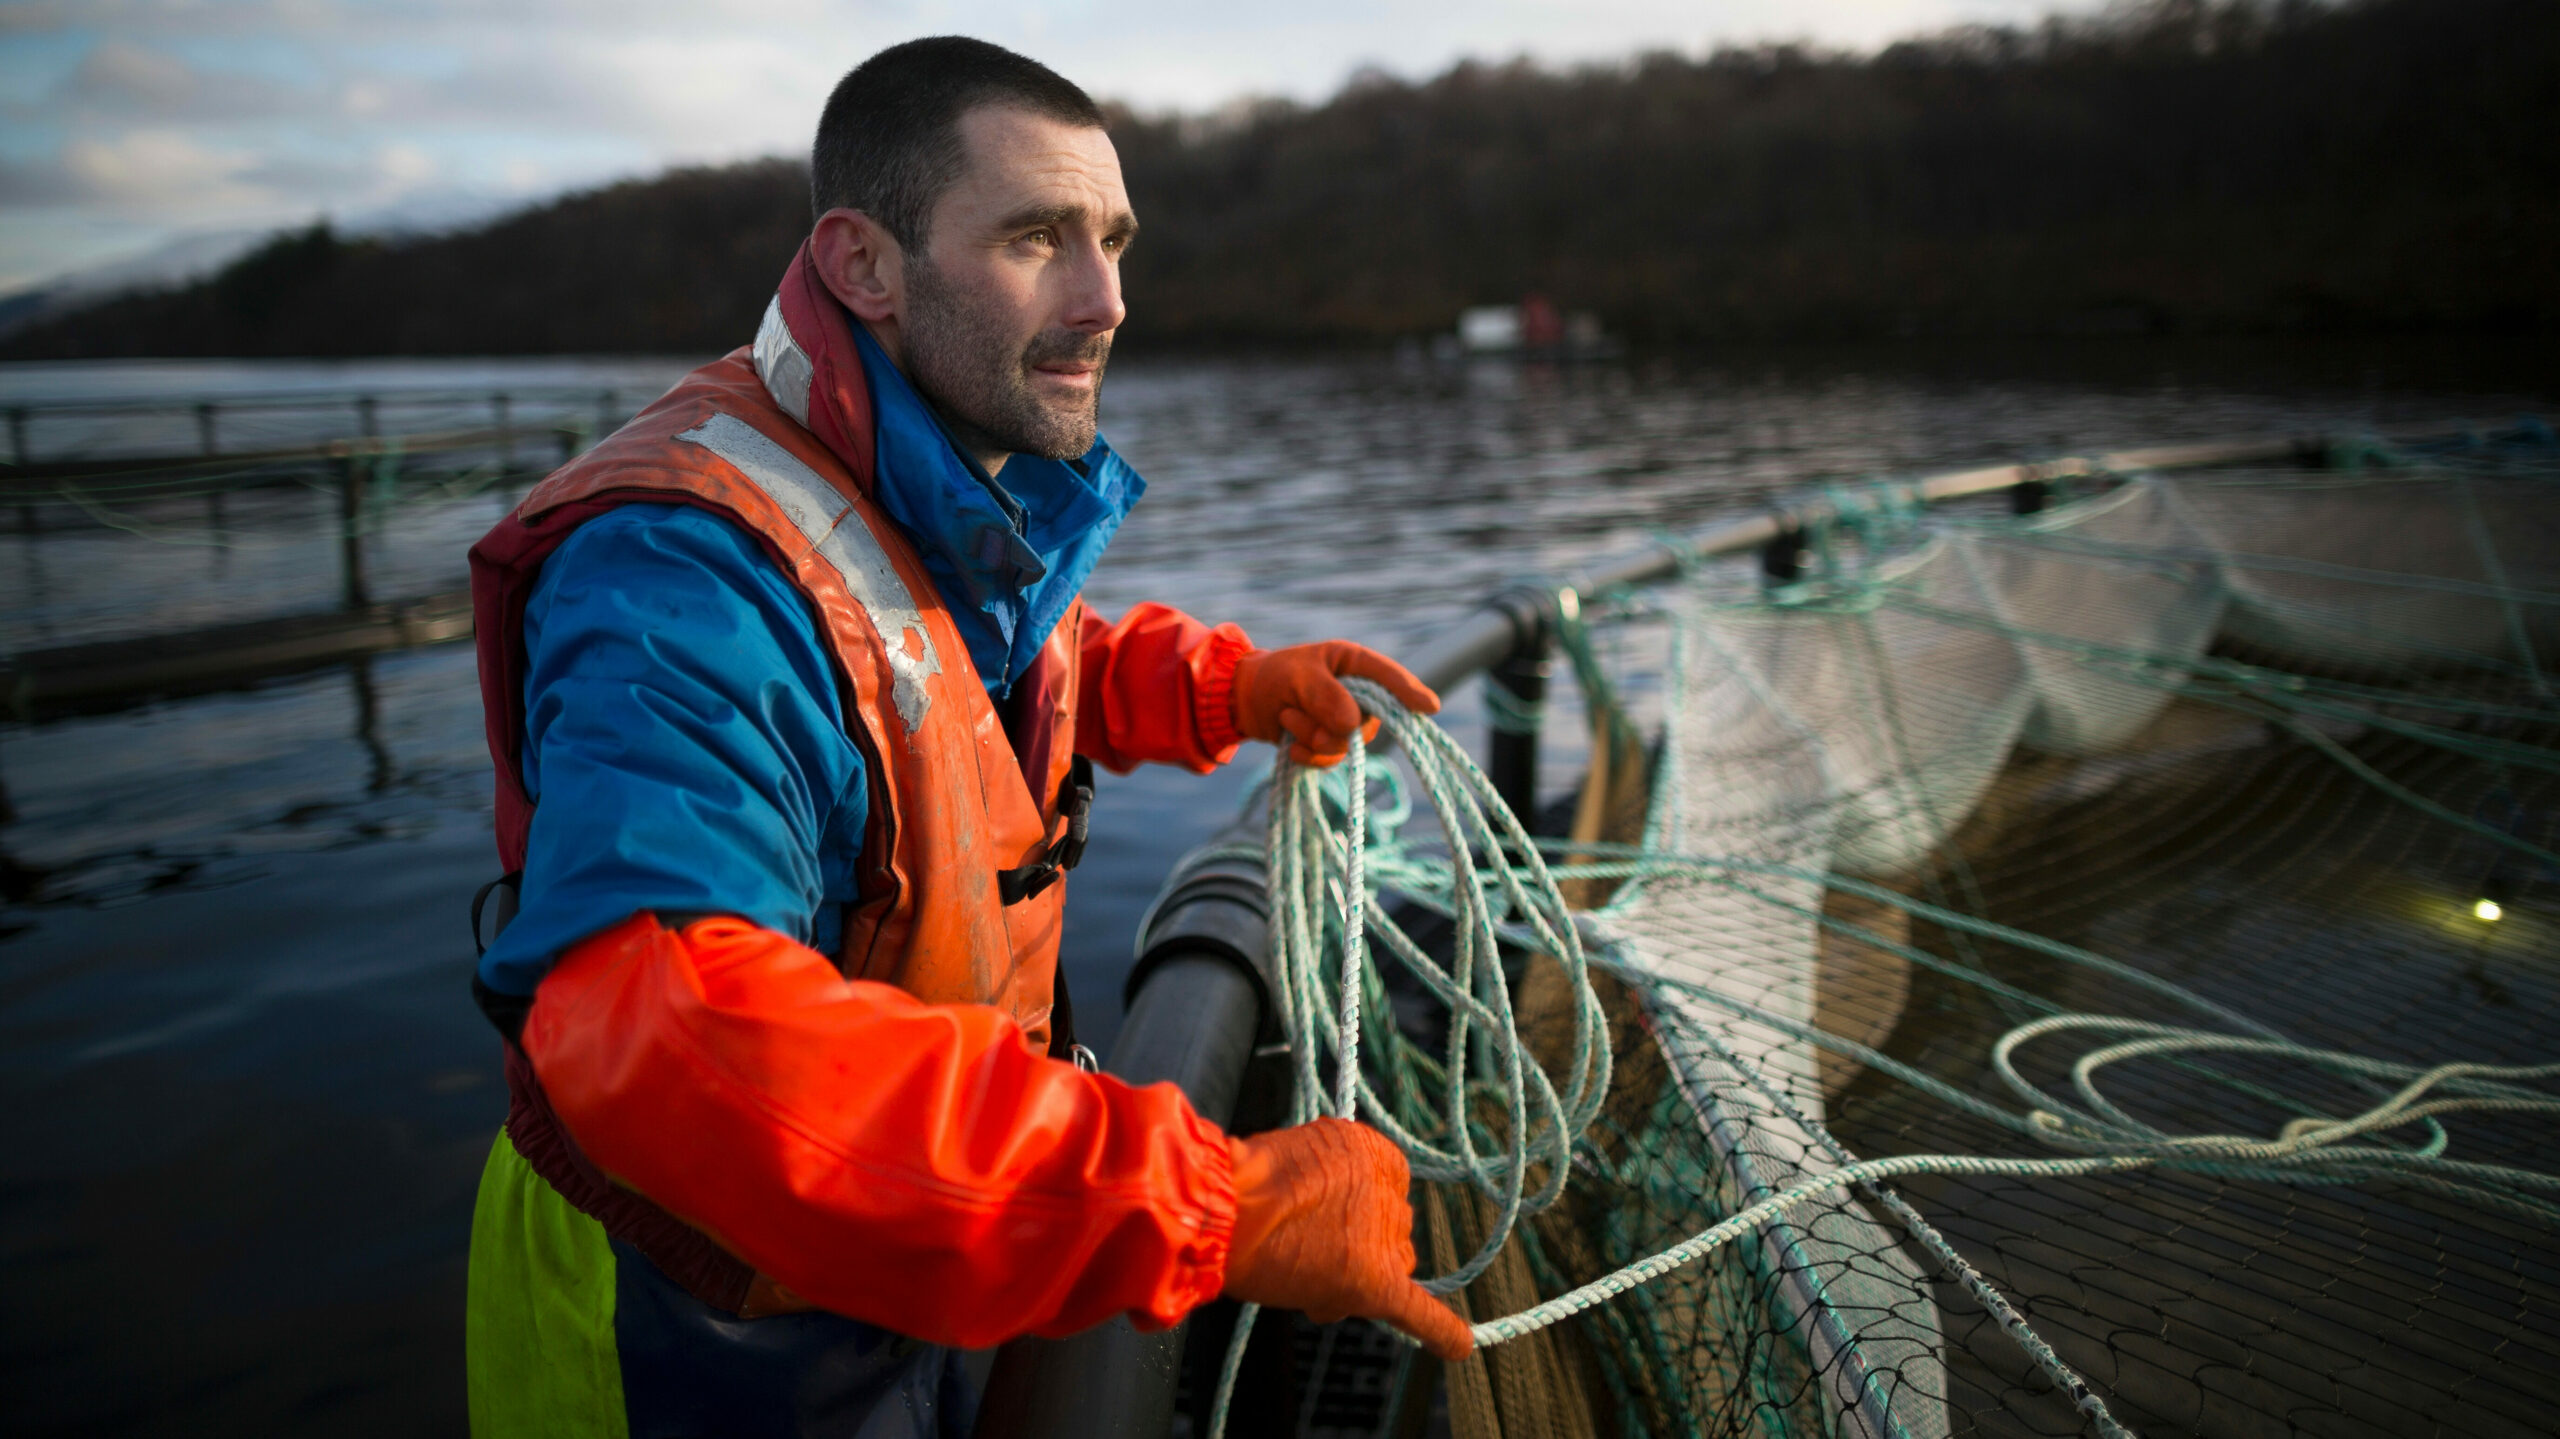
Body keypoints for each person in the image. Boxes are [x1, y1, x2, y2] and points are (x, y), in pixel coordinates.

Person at [460, 34, 1474, 1439]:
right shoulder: (677, 572)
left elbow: (950, 684)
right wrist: (1195, 1202)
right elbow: (665, 1039)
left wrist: (1217, 690)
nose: (1106, 299)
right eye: (1037, 239)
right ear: (865, 264)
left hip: (919, 1239)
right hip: (690, 1316)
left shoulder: (915, 464)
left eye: (1115, 240)